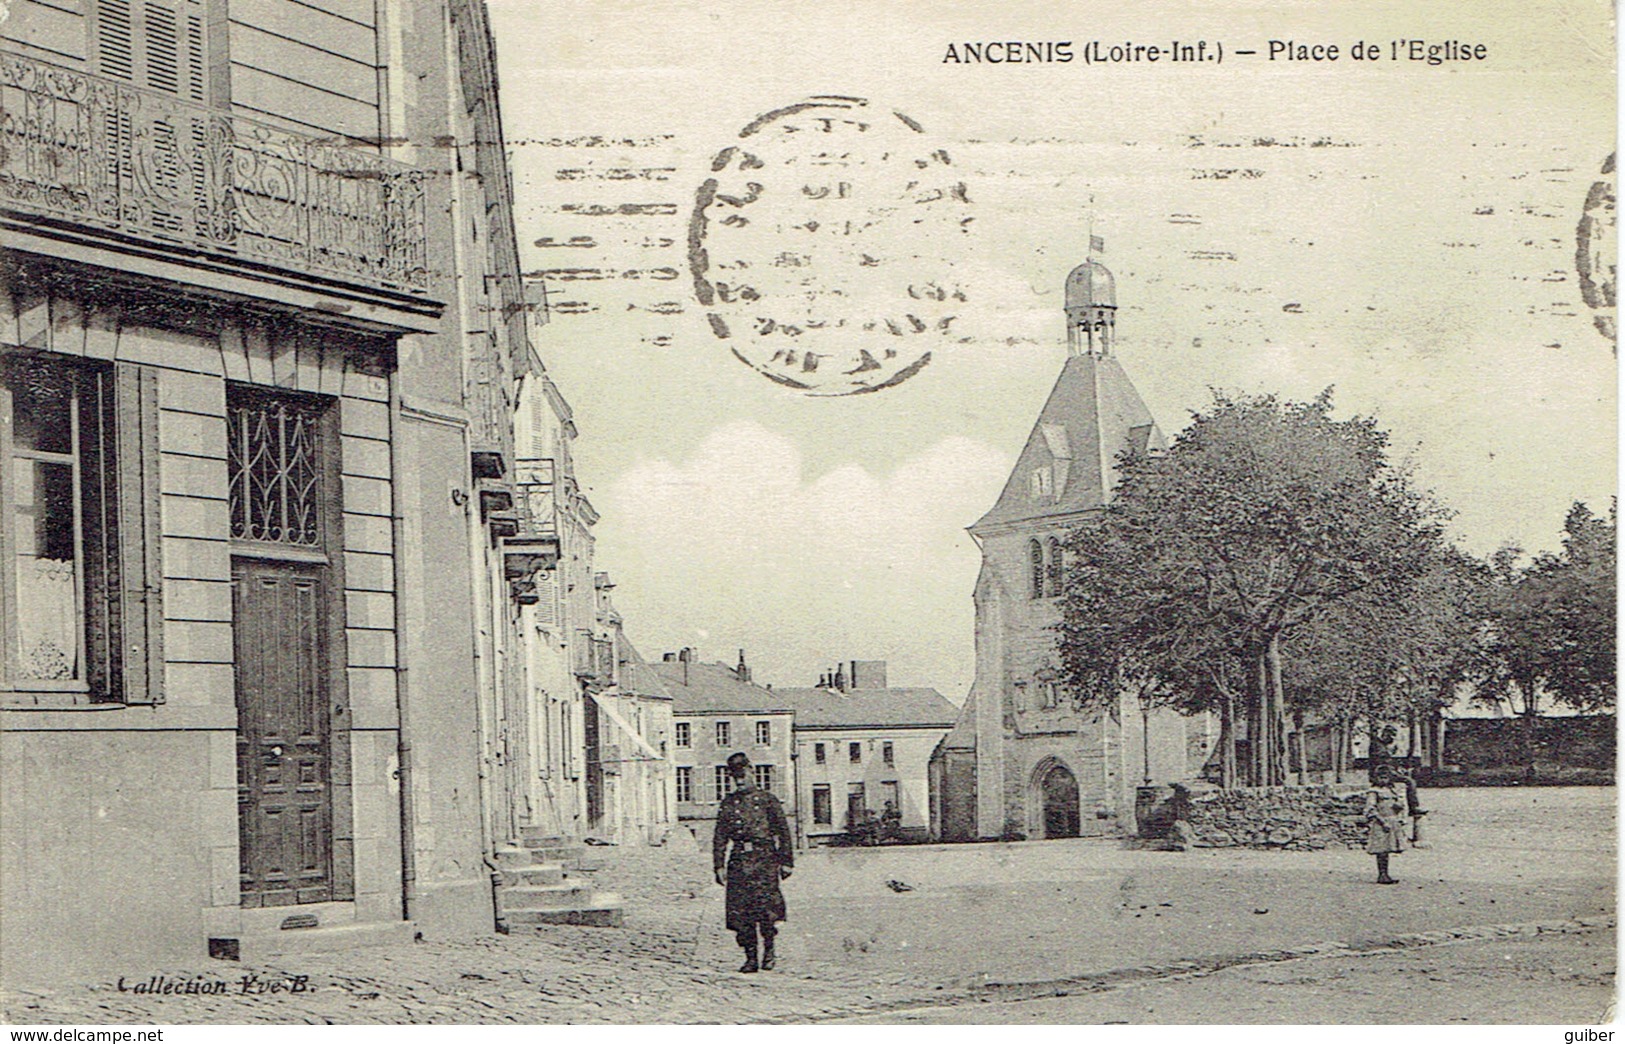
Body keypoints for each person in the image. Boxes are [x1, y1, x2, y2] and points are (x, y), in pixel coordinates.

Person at [713, 752, 793, 972]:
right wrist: (719, 865)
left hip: (765, 859)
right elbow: (720, 836)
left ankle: (769, 951)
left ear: (752, 771)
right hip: (739, 861)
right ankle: (750, 957)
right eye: (735, 776)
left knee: (766, 910)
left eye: (743, 774)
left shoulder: (768, 800)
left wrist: (786, 862)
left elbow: (783, 832)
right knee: (741, 913)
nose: (740, 779)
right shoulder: (729, 804)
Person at [1364, 763, 1409, 884]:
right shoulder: (1373, 792)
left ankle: (1386, 874)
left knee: (1388, 849)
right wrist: (1382, 821)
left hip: (1392, 820)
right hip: (1381, 822)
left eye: (1386, 777)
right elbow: (1370, 809)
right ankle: (1382, 874)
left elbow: (1401, 804)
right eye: (1380, 777)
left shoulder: (1392, 790)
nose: (1383, 780)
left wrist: (1398, 808)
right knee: (1381, 850)